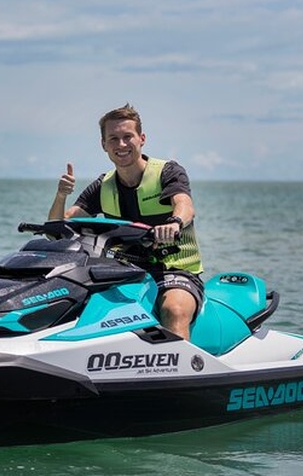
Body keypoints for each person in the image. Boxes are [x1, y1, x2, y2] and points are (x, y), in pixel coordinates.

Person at [49, 103, 204, 341]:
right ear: (104, 145)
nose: (121, 144)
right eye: (113, 138)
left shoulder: (167, 172)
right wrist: (61, 195)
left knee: (174, 310)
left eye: (127, 137)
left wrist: (174, 223)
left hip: (174, 270)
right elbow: (57, 229)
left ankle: (178, 372)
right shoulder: (103, 185)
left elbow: (185, 205)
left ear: (142, 139)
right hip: (124, 271)